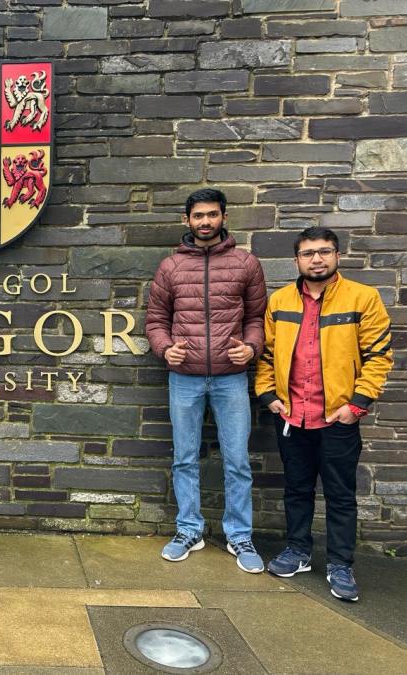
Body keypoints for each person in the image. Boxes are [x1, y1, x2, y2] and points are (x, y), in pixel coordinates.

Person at [257, 227, 392, 602]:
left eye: (324, 251)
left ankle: (340, 563)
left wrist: (357, 405)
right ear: (297, 259)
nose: (316, 259)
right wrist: (269, 396)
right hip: (292, 416)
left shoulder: (362, 298)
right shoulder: (281, 300)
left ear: (337, 256)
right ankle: (298, 550)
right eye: (308, 253)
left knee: (340, 494)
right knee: (296, 490)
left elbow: (379, 356)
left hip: (337, 418)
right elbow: (267, 355)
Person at [146, 188, 267, 573]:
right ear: (187, 221)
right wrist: (165, 349)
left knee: (237, 460)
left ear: (224, 217)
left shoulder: (246, 263)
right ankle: (188, 530)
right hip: (185, 378)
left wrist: (251, 348)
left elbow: (257, 319)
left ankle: (239, 535)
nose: (205, 222)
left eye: (212, 215)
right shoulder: (170, 268)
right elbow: (155, 321)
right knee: (184, 458)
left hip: (231, 379)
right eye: (198, 216)